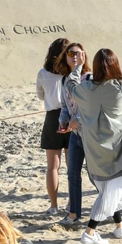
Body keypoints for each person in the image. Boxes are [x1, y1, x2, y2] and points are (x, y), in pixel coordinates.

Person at [65, 35, 122, 244]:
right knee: (116, 192)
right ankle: (90, 233)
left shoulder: (85, 90)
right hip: (116, 151)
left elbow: (71, 84)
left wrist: (79, 66)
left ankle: (119, 227)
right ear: (115, 65)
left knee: (107, 191)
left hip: (93, 150)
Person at [57, 42, 91, 228]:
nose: (74, 56)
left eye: (78, 53)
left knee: (96, 177)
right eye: (70, 53)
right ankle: (74, 214)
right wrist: (63, 121)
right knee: (72, 174)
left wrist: (77, 118)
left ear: (84, 55)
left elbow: (90, 106)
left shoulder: (89, 78)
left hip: (91, 134)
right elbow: (65, 105)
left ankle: (112, 211)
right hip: (75, 135)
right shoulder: (64, 80)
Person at [36, 38, 70, 216]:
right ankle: (72, 203)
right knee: (73, 166)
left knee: (52, 167)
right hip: (72, 117)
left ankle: (54, 206)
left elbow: (40, 96)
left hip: (52, 118)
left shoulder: (43, 73)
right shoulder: (73, 72)